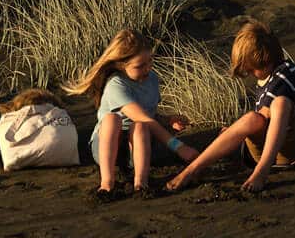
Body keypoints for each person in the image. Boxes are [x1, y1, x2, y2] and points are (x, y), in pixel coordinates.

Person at [167, 19, 295, 194]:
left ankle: (261, 172)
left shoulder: (288, 73)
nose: (252, 75)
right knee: (252, 118)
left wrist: (235, 130)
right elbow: (259, 119)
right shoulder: (266, 77)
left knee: (280, 104)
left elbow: (267, 113)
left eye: (253, 70)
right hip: (265, 151)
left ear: (267, 60)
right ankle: (193, 169)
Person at [67, 29, 198, 200]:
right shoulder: (116, 84)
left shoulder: (151, 79)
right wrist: (179, 147)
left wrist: (168, 120)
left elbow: (149, 115)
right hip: (106, 148)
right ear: (121, 65)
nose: (147, 68)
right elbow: (141, 116)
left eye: (150, 61)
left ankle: (141, 183)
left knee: (141, 125)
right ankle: (107, 183)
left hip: (138, 149)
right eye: (140, 66)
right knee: (113, 120)